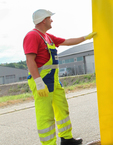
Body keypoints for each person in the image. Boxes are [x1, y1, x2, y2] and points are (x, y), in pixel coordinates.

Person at [23, 9, 97, 145]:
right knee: (46, 115)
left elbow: (68, 41)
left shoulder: (48, 37)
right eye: (50, 18)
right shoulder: (32, 36)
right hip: (41, 82)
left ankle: (67, 139)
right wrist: (39, 83)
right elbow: (30, 61)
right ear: (44, 20)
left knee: (62, 109)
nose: (52, 20)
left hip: (54, 81)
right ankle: (49, 143)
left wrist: (86, 37)